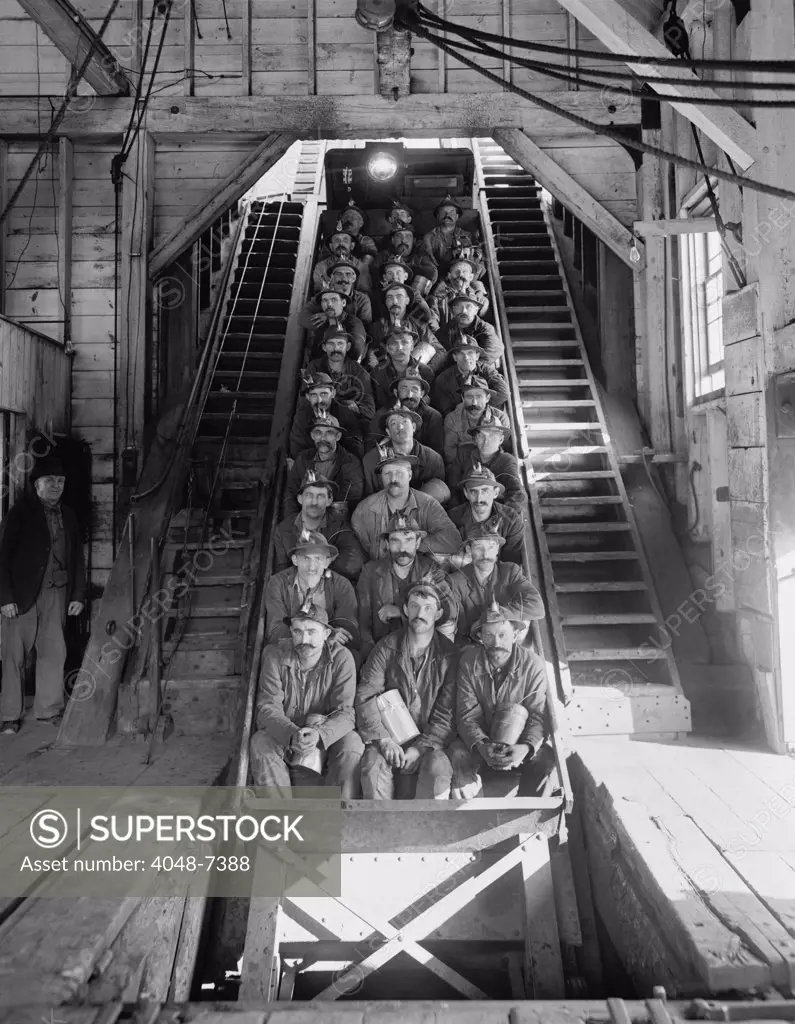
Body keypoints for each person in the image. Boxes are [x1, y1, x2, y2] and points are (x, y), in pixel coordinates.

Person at [0, 450, 86, 733]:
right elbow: (1, 557)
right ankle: (9, 715)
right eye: (49, 480)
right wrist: (5, 598)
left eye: (60, 480)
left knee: (53, 652)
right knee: (14, 656)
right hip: (22, 597)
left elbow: (76, 559)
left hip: (57, 594)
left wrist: (77, 595)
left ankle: (48, 710)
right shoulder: (20, 513)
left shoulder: (70, 516)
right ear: (36, 484)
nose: (56, 485)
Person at [355, 580, 459, 799]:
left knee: (439, 767)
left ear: (438, 613)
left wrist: (421, 748)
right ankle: (379, 829)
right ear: (404, 609)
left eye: (428, 607)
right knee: (372, 766)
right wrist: (384, 740)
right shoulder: (386, 646)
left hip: (431, 741)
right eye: (414, 606)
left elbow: (447, 713)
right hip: (389, 736)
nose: (420, 613)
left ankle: (428, 829)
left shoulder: (450, 655)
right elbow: (366, 695)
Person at [250, 600, 363, 797]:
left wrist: (320, 735)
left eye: (311, 632)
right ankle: (280, 819)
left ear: (327, 634)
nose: (304, 639)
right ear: (291, 632)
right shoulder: (276, 656)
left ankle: (338, 816)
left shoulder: (341, 658)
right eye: (298, 632)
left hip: (324, 734)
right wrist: (292, 733)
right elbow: (267, 708)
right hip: (286, 733)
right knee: (260, 741)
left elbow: (345, 713)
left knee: (352, 742)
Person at [449, 599, 555, 799]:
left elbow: (538, 715)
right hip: (481, 743)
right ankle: (470, 816)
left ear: (515, 634)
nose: (496, 643)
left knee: (546, 759)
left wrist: (525, 747)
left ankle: (528, 823)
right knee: (456, 753)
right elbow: (466, 715)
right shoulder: (469, 662)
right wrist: (482, 745)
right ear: (480, 637)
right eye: (488, 635)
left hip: (518, 744)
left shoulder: (533, 665)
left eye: (502, 635)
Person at [356, 510, 454, 658]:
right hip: (382, 651)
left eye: (408, 540)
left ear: (418, 542)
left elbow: (449, 610)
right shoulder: (370, 572)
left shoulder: (430, 569)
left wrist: (401, 612)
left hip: (422, 652)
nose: (402, 549)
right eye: (395, 541)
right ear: (387, 544)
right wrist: (374, 655)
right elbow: (363, 622)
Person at [351, 447, 461, 561]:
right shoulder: (364, 511)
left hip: (418, 572)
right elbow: (359, 557)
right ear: (381, 478)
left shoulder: (428, 505)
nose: (393, 479)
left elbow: (453, 540)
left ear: (409, 475)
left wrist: (413, 544)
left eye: (399, 473)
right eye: (387, 473)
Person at [446, 522, 544, 644]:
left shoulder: (510, 572)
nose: (486, 554)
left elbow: (537, 607)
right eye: (479, 547)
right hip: (474, 646)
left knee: (525, 619)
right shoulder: (455, 582)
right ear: (469, 550)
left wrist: (499, 614)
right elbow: (460, 628)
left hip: (507, 643)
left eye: (491, 547)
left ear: (497, 549)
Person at [264, 529, 359, 649]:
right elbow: (275, 630)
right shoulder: (277, 583)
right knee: (270, 653)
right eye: (306, 558)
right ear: (295, 560)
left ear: (327, 562)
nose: (312, 566)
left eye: (318, 559)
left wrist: (327, 641)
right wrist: (313, 639)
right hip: (291, 649)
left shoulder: (342, 585)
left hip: (329, 651)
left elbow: (347, 628)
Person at [273, 471, 366, 582]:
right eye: (309, 495)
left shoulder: (339, 527)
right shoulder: (283, 530)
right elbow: (282, 570)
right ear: (300, 499)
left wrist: (316, 568)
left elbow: (355, 563)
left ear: (329, 501)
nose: (314, 502)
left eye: (320, 496)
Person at [283, 411, 364, 518]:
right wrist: (293, 519)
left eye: (329, 433)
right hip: (305, 518)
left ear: (338, 436)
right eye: (318, 433)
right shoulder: (303, 458)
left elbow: (353, 496)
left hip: (336, 521)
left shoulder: (350, 461)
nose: (323, 438)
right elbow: (291, 493)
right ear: (312, 436)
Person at [362, 402, 447, 503]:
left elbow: (440, 496)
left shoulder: (433, 459)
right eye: (394, 423)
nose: (400, 427)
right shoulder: (371, 460)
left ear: (414, 427)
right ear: (388, 432)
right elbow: (369, 501)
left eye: (405, 421)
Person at [449, 407, 527, 514]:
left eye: (492, 436)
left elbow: (517, 494)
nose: (486, 441)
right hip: (468, 510)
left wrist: (500, 518)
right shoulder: (464, 454)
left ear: (500, 440)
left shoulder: (507, 461)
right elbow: (453, 486)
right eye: (481, 436)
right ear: (475, 440)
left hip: (495, 511)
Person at [447, 462, 525, 566]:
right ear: (466, 493)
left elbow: (511, 565)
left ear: (496, 493)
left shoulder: (511, 521)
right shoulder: (452, 518)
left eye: (485, 491)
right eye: (473, 492)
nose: (479, 499)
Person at [306, 327, 375, 424]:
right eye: (331, 344)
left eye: (340, 344)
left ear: (348, 347)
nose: (336, 349)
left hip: (348, 424)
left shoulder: (359, 372)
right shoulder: (314, 367)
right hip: (319, 421)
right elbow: (305, 401)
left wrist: (349, 407)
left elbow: (370, 410)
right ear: (324, 347)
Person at [368, 366, 444, 454]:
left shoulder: (433, 417)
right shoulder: (382, 415)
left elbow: (436, 455)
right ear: (396, 392)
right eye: (404, 388)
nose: (409, 395)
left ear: (422, 394)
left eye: (415, 389)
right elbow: (372, 447)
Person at [290, 371, 366, 458]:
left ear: (333, 393)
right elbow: (297, 450)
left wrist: (337, 429)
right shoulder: (302, 416)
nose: (319, 400)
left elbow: (357, 450)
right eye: (314, 395)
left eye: (324, 394)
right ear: (307, 397)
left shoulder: (346, 411)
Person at [367, 284, 442, 371]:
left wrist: (424, 370)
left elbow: (441, 351)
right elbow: (371, 356)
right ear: (386, 302)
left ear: (407, 300)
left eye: (399, 297)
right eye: (390, 297)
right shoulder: (376, 328)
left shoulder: (419, 326)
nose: (394, 301)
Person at [443, 375, 511, 469]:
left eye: (479, 397)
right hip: (464, 467)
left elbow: (503, 449)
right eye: (469, 396)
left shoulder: (501, 418)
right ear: (463, 398)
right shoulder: (452, 419)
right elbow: (450, 453)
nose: (474, 402)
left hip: (492, 466)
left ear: (487, 398)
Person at [432, 336, 508, 418]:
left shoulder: (488, 371)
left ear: (477, 356)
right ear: (454, 357)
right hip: (459, 421)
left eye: (470, 353)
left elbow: (503, 394)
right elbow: (447, 411)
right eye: (461, 353)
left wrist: (479, 408)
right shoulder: (443, 379)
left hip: (487, 417)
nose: (466, 357)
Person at [416, 195, 477, 280]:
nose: (447, 215)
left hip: (461, 276)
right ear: (437, 216)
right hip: (438, 277)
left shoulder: (467, 236)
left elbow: (475, 259)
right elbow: (424, 258)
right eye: (443, 212)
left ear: (457, 216)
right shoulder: (428, 237)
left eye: (452, 212)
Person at [298, 285, 367, 361]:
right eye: (324, 300)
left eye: (334, 300)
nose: (329, 304)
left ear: (343, 303)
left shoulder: (354, 323)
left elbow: (356, 353)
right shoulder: (322, 323)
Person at [369, 331, 434, 410]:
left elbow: (429, 402)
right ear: (387, 348)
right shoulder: (378, 372)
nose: (399, 348)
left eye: (404, 342)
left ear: (412, 346)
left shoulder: (425, 371)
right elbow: (380, 404)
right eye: (394, 343)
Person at [374, 255, 438, 333]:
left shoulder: (414, 293)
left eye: (398, 273)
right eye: (390, 273)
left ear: (405, 276)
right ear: (384, 277)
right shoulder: (378, 295)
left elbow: (425, 314)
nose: (394, 277)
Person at [438, 294, 503, 368]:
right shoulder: (446, 330)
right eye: (459, 307)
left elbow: (490, 353)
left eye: (469, 307)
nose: (463, 311)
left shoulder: (486, 329)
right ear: (453, 310)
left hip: (480, 370)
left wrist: (467, 368)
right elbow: (440, 352)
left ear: (476, 310)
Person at [375, 222, 438, 296]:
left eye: (408, 237)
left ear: (414, 241)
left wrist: (404, 267)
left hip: (415, 296)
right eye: (399, 236)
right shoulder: (384, 256)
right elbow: (375, 275)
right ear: (392, 240)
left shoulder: (420, 256)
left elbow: (433, 273)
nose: (403, 240)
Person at [313, 224, 373, 295]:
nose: (341, 243)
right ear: (331, 246)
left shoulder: (361, 267)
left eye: (345, 240)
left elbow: (364, 293)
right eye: (336, 240)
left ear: (352, 246)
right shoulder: (321, 266)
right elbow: (318, 291)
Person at [428, 256, 489, 326]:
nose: (460, 275)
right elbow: (433, 318)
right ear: (449, 276)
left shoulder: (478, 297)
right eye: (457, 271)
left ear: (471, 277)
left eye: (465, 272)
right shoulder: (438, 295)